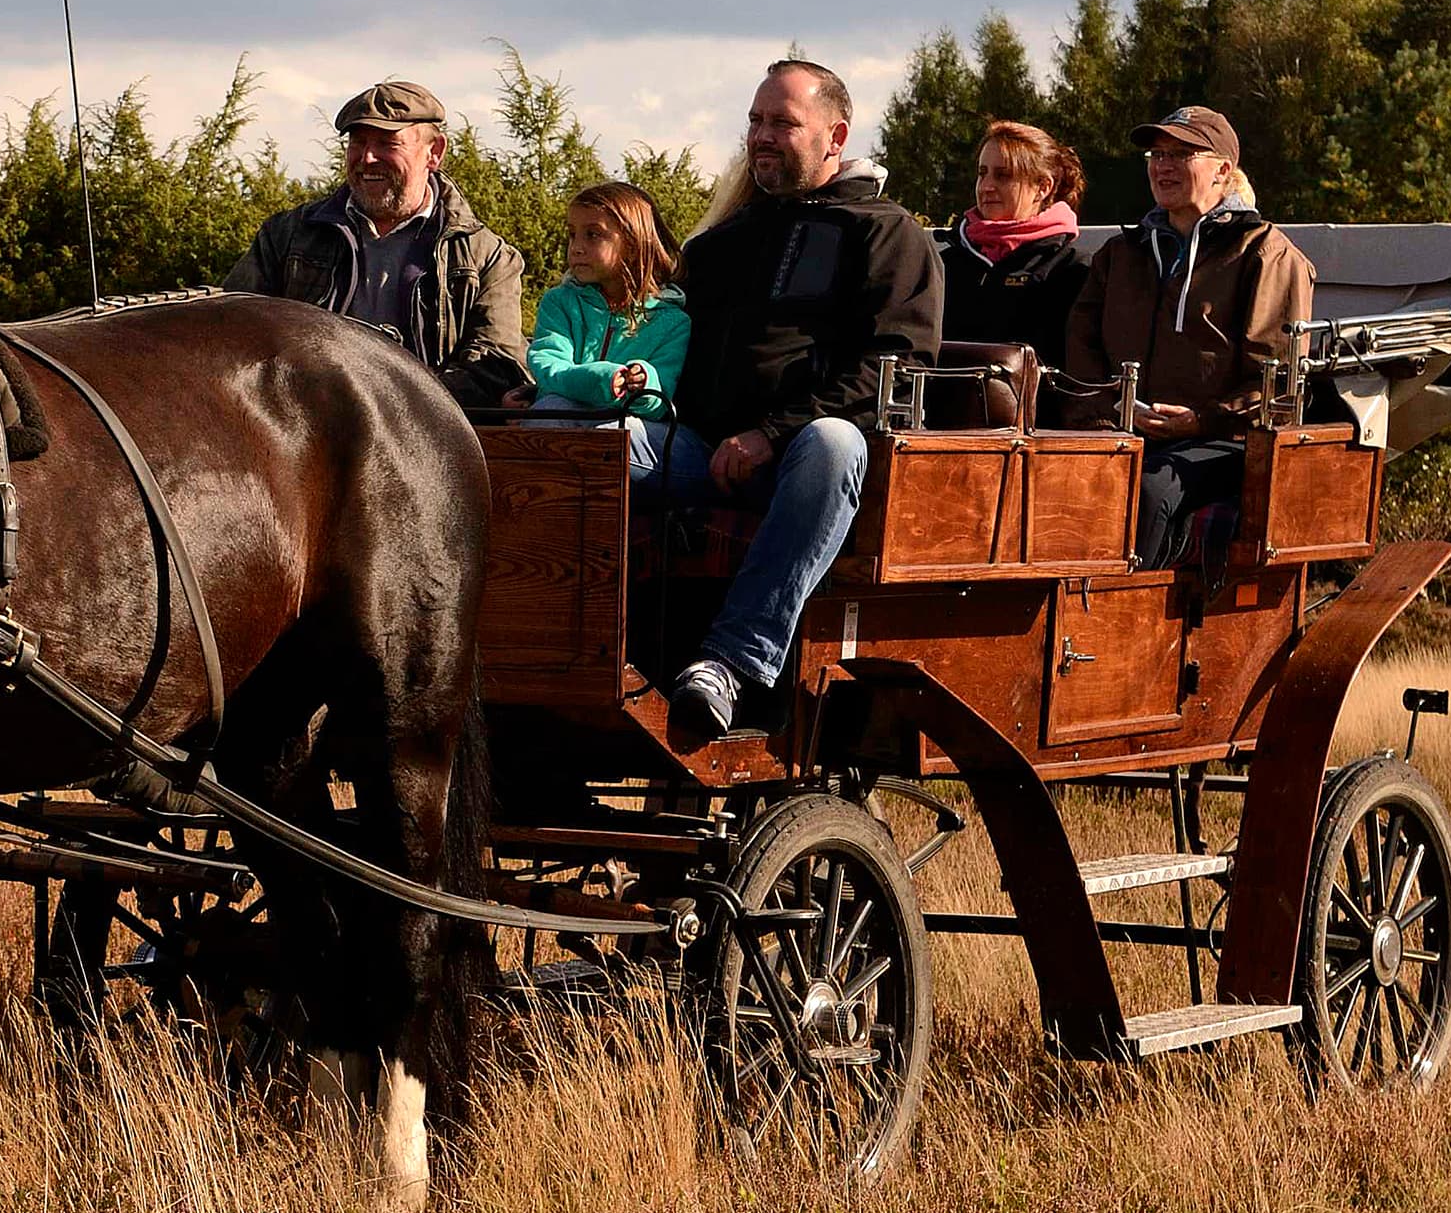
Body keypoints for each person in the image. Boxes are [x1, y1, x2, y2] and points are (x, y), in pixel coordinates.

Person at [660, 58, 941, 745]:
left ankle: (731, 662)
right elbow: (669, 341)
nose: (762, 135)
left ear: (834, 135)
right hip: (698, 448)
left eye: (783, 122)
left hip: (811, 471)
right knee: (595, 445)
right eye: (755, 120)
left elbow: (896, 365)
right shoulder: (721, 244)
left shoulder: (883, 231)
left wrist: (771, 434)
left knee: (833, 440)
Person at [1061, 103, 1316, 561]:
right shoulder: (1122, 253)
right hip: (1119, 426)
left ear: (1223, 169)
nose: (1163, 166)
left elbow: (1275, 378)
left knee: (1150, 489)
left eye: (1181, 154)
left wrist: (1202, 419)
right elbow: (1082, 346)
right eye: (1156, 155)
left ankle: (1125, 618)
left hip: (1224, 441)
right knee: (1049, 474)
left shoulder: (1266, 254)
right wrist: (1110, 408)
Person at [225, 79, 531, 406]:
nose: (367, 158)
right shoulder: (287, 236)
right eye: (357, 143)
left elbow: (498, 364)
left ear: (434, 152)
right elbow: (231, 327)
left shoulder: (486, 256)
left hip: (425, 441)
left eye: (388, 144)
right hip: (301, 432)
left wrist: (391, 403)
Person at [525, 181, 691, 480]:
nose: (576, 247)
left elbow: (659, 405)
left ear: (632, 243)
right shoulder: (560, 302)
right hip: (563, 419)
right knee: (552, 409)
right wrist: (602, 378)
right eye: (572, 234)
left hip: (622, 430)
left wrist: (644, 382)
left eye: (593, 235)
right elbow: (548, 365)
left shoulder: (672, 322)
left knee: (614, 432)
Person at [938, 119, 1089, 356]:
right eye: (982, 173)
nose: (986, 186)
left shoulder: (1073, 270)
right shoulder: (945, 264)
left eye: (1003, 175)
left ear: (1043, 187)